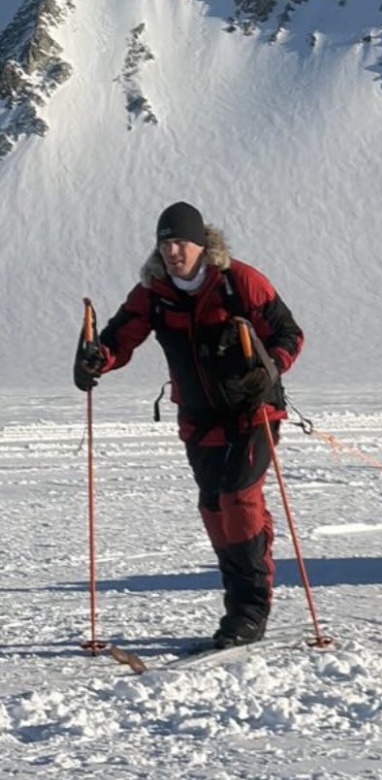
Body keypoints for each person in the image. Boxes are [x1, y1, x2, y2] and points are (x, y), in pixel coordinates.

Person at [73, 201, 304, 648]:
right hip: (198, 419)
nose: (173, 251)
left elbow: (288, 334)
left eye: (181, 241)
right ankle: (241, 599)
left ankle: (249, 610)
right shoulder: (154, 292)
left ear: (202, 244)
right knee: (215, 508)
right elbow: (119, 339)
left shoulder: (240, 282)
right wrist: (94, 360)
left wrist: (270, 368)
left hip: (254, 411)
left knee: (238, 497)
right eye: (166, 243)